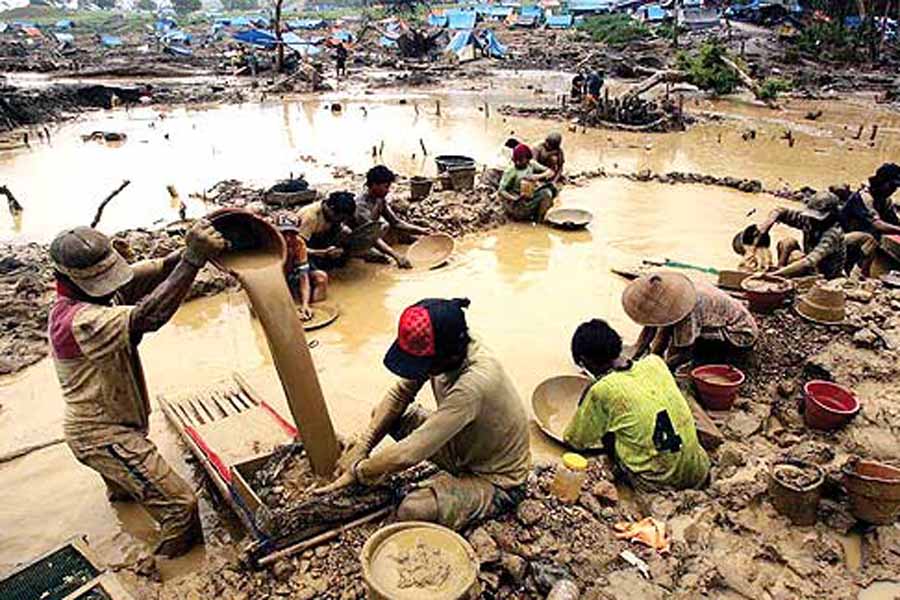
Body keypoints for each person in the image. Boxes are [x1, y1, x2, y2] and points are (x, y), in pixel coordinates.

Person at [48, 221, 226, 558]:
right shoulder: (80, 320)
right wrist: (193, 260)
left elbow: (159, 268)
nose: (108, 286)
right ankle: (164, 572)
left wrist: (193, 248)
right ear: (66, 278)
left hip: (109, 421)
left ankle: (125, 518)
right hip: (103, 435)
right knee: (180, 507)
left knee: (128, 493)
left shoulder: (95, 294)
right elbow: (149, 316)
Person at [315, 298, 531, 531]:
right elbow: (399, 394)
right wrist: (363, 447)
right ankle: (448, 479)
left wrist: (359, 470)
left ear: (446, 358)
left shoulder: (474, 383)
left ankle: (474, 494)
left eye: (423, 365)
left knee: (412, 509)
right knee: (385, 414)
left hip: (498, 480)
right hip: (463, 448)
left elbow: (408, 454)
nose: (419, 372)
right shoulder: (449, 343)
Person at [564, 319, 710, 491]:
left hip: (659, 480)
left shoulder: (603, 390)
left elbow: (574, 441)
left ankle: (623, 474)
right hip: (698, 470)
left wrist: (588, 400)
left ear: (586, 360)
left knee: (607, 426)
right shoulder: (655, 362)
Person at [624, 272, 758, 369]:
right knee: (667, 328)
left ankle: (727, 359)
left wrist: (660, 368)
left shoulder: (689, 307)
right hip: (720, 320)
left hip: (740, 335)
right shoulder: (675, 292)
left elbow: (684, 352)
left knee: (691, 354)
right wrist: (636, 357)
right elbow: (651, 327)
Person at [753, 191, 848, 279]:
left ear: (830, 216)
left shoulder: (833, 233)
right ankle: (780, 269)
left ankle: (780, 275)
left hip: (825, 274)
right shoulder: (809, 221)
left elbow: (808, 261)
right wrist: (767, 225)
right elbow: (780, 211)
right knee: (787, 242)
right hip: (811, 261)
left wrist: (772, 275)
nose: (813, 220)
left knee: (796, 256)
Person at [353, 165, 430, 269]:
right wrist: (396, 256)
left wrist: (423, 230)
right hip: (359, 241)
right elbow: (371, 237)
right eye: (386, 186)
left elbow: (396, 223)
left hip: (373, 234)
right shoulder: (361, 207)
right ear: (374, 185)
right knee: (383, 258)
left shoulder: (379, 199)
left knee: (406, 237)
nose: (388, 190)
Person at [840, 163, 900, 276]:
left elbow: (894, 222)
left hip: (864, 243)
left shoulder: (885, 200)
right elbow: (878, 225)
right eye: (891, 186)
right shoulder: (864, 197)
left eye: (895, 187)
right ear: (882, 181)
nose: (893, 190)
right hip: (845, 240)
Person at [278, 216, 327, 320]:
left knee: (322, 278)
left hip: (291, 272)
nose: (288, 239)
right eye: (284, 233)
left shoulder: (298, 243)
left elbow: (303, 278)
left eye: (292, 234)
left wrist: (305, 305)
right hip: (276, 278)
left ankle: (313, 309)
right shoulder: (270, 243)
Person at [295, 191, 357, 270]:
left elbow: (339, 228)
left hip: (320, 239)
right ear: (331, 209)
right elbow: (297, 248)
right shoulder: (310, 217)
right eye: (340, 218)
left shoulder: (332, 215)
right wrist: (322, 253)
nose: (341, 221)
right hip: (303, 246)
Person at [498, 143, 557, 222]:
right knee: (521, 208)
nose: (518, 163)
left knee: (547, 192)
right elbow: (501, 190)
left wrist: (537, 177)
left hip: (530, 197)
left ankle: (538, 221)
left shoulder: (531, 164)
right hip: (517, 204)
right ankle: (525, 216)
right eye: (517, 161)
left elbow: (550, 172)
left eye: (521, 160)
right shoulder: (511, 171)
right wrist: (513, 198)